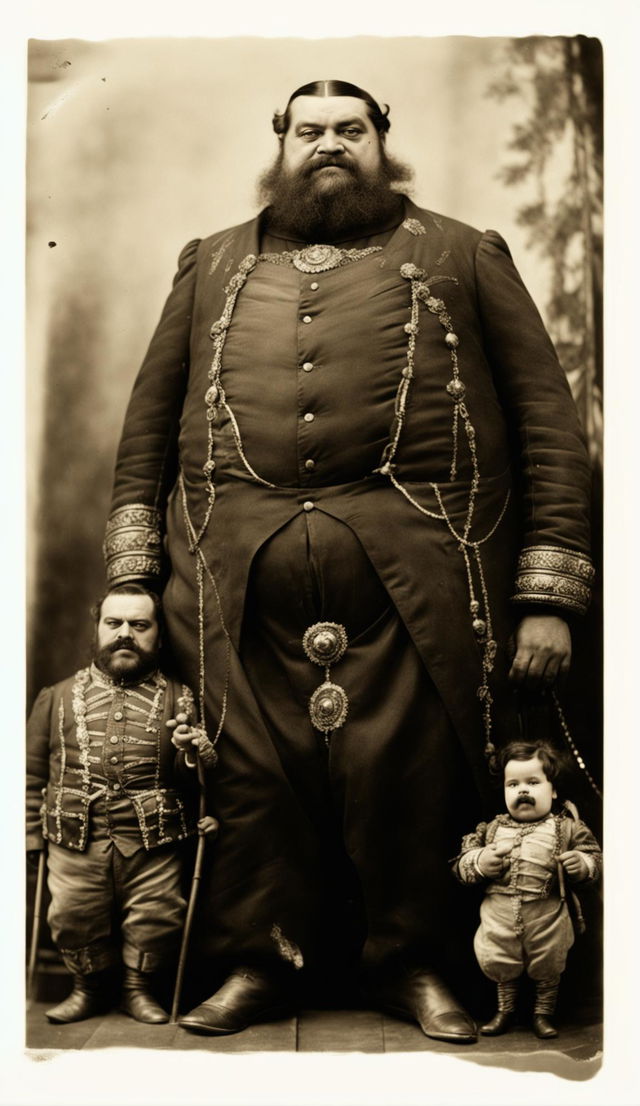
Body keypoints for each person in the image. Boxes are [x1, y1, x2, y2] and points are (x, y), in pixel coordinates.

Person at [103, 80, 595, 1042]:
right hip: (229, 583)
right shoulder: (210, 263)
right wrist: (131, 575)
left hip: (426, 586)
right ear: (281, 142)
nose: (331, 145)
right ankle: (257, 964)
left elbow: (550, 427)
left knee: (404, 777)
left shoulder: (462, 251)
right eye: (312, 131)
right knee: (252, 780)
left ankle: (415, 967)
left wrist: (550, 595)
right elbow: (145, 437)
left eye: (351, 130)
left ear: (382, 142)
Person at [26, 583, 216, 1024]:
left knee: (157, 915)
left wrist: (193, 752)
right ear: (97, 630)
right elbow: (29, 774)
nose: (125, 633)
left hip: (154, 841)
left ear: (158, 635)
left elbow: (203, 780)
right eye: (114, 623)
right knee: (73, 914)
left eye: (139, 624)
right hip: (74, 837)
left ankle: (137, 989)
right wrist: (29, 837)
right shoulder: (54, 698)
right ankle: (88, 988)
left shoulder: (182, 699)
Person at [452, 740, 602, 1038]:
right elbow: (461, 864)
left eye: (533, 782)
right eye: (513, 784)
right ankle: (504, 1011)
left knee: (548, 961)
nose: (522, 790)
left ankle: (543, 1014)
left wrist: (583, 864)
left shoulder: (568, 828)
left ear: (553, 790)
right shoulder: (489, 830)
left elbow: (596, 858)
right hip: (500, 915)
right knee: (501, 960)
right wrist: (480, 861)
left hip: (546, 913)